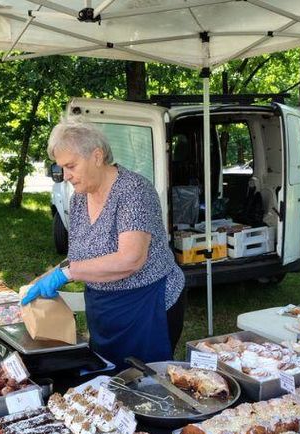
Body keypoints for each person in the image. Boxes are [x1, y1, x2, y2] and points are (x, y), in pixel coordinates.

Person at [22, 120, 186, 369]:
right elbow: (77, 257)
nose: (65, 176)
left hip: (145, 305)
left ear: (97, 156)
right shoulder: (79, 198)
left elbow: (130, 259)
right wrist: (43, 279)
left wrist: (67, 274)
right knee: (107, 381)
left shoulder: (134, 191)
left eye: (71, 166)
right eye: (61, 168)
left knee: (147, 383)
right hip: (103, 308)